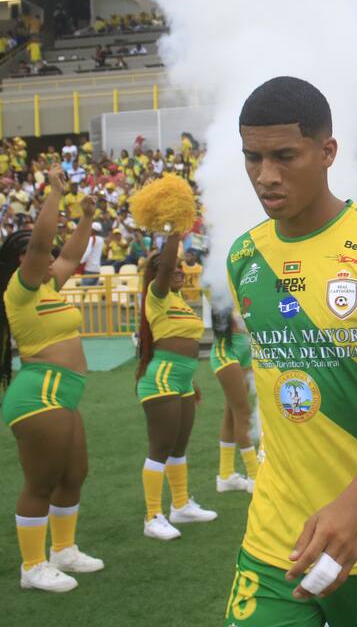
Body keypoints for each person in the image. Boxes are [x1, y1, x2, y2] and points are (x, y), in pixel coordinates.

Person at [222, 76, 357, 626]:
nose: (265, 176)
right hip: (275, 536)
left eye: (284, 156)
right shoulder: (245, 255)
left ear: (327, 152)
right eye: (252, 158)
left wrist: (356, 506)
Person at [0, 166, 105, 593]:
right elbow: (42, 244)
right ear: (22, 262)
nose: (51, 260)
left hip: (62, 396)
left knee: (74, 475)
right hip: (39, 395)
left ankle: (63, 549)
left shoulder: (49, 286)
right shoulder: (21, 288)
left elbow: (68, 255)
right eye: (40, 256)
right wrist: (54, 193)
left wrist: (86, 218)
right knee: (41, 483)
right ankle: (31, 566)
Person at [135, 229, 217, 540]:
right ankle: (152, 515)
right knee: (160, 448)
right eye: (175, 268)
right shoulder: (156, 296)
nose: (180, 271)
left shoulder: (178, 300)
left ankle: (180, 505)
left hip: (182, 381)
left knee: (179, 447)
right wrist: (172, 236)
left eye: (183, 268)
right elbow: (167, 265)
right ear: (160, 274)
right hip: (161, 381)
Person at [210, 307, 260, 494]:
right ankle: (255, 475)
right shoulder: (223, 285)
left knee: (231, 414)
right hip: (227, 353)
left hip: (245, 349)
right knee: (243, 412)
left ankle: (226, 475)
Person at [79, 221, 104, 286]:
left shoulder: (91, 239)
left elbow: (87, 253)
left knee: (84, 292)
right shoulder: (101, 240)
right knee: (94, 293)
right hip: (97, 269)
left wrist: (80, 262)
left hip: (89, 269)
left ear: (92, 230)